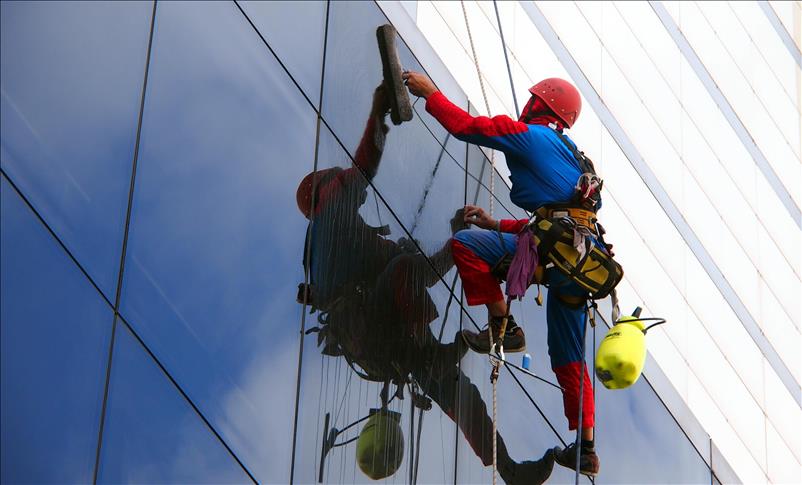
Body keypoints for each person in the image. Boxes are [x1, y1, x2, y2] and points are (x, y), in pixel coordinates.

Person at [296, 83, 555, 484]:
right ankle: (437, 360)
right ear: (326, 188)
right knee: (407, 275)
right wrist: (379, 111)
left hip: (382, 337)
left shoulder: (342, 244)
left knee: (457, 392)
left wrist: (457, 242)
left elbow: (421, 274)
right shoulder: (330, 207)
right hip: (380, 328)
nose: (348, 185)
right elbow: (365, 166)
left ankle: (508, 470)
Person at [403, 71, 603, 477]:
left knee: (465, 245)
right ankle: (586, 449)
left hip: (555, 251)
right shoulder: (573, 156)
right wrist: (497, 224)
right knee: (569, 355)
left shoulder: (534, 137)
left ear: (539, 105)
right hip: (579, 263)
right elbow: (554, 221)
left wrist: (431, 94)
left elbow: (467, 127)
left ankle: (504, 327)